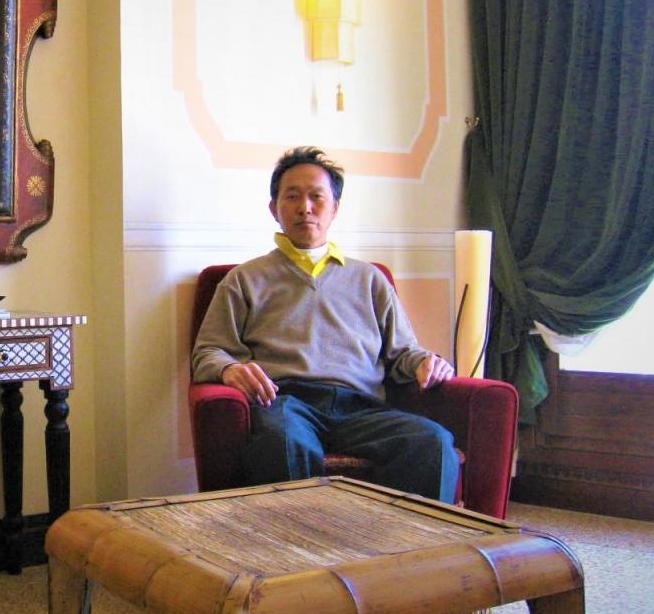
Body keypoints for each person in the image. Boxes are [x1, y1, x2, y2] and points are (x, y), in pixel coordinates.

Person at [191, 146, 459, 502]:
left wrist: (426, 362)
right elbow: (207, 352)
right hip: (286, 403)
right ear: (274, 209)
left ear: (334, 208)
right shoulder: (244, 280)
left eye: (316, 196)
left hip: (362, 408)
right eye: (292, 197)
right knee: (281, 442)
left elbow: (403, 353)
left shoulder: (370, 279)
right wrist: (229, 369)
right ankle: (299, 540)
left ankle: (410, 538)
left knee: (432, 441)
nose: (305, 207)